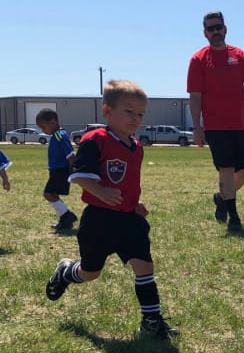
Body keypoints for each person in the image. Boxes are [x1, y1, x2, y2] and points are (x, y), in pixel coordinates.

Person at [45, 80, 178, 339]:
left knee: (144, 267)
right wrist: (101, 191)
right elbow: (78, 175)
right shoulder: (95, 140)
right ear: (107, 111)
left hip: (129, 220)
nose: (135, 118)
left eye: (140, 114)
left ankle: (151, 321)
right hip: (99, 220)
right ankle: (66, 273)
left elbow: (128, 182)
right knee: (90, 272)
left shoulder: (136, 146)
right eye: (129, 111)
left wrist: (134, 203)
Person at [187, 11, 244, 232]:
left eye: (218, 27)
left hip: (241, 124)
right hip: (215, 126)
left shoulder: (240, 56)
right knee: (226, 168)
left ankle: (221, 198)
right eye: (211, 29)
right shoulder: (198, 60)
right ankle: (234, 217)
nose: (216, 32)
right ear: (205, 33)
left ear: (225, 28)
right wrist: (197, 126)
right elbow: (195, 96)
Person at [35, 109, 78, 230]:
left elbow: (70, 153)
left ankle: (67, 216)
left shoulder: (60, 135)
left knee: (48, 194)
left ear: (53, 122)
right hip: (56, 171)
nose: (43, 130)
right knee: (51, 194)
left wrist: (73, 169)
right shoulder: (56, 135)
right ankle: (65, 220)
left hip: (61, 171)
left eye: (43, 127)